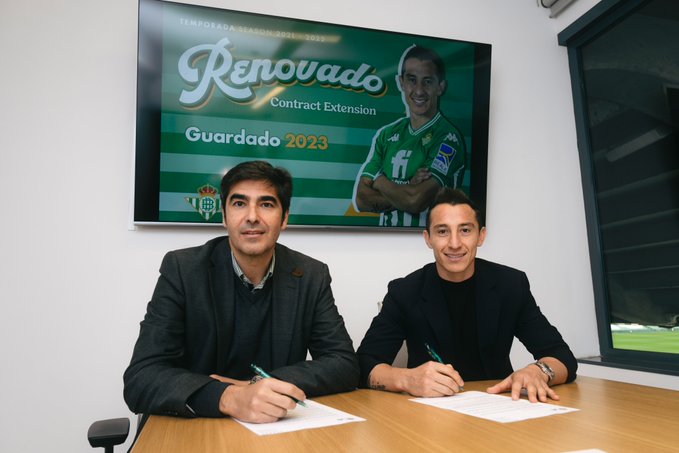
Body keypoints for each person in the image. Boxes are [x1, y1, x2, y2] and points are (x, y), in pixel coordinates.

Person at [124, 160, 359, 426]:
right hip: (198, 427)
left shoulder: (311, 275)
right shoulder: (183, 269)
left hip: (276, 428)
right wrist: (230, 397)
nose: (252, 216)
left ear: (284, 218)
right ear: (224, 217)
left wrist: (259, 386)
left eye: (266, 204)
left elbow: (344, 364)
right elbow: (141, 377)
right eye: (239, 203)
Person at [356, 188, 577, 403]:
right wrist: (407, 379)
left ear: (481, 236)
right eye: (442, 231)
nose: (454, 244)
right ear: (428, 238)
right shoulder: (405, 292)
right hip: (430, 415)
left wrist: (538, 371)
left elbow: (562, 356)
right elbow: (365, 363)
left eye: (465, 230)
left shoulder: (511, 285)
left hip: (497, 406)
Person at [353, 45, 467, 227]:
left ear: (440, 87)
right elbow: (361, 200)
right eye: (412, 80)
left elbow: (415, 201)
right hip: (383, 241)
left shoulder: (448, 138)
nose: (419, 90)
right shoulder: (386, 134)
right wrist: (408, 188)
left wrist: (378, 180)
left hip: (430, 241)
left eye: (427, 81)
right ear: (401, 83)